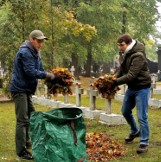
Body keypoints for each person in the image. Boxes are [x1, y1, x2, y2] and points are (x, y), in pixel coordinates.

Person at [10, 30, 58, 160]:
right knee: (22, 120)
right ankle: (21, 151)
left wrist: (51, 77)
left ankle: (28, 142)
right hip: (19, 89)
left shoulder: (36, 52)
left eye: (42, 41)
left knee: (32, 116)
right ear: (31, 39)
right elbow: (30, 71)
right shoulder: (25, 52)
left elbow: (40, 70)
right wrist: (47, 75)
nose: (41, 43)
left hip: (26, 89)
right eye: (39, 41)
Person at [112, 34, 151, 154]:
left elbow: (131, 75)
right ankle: (135, 131)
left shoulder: (138, 55)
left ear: (129, 43)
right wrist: (111, 78)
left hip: (142, 88)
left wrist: (114, 82)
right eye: (118, 45)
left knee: (142, 116)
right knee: (125, 111)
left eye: (122, 45)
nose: (120, 47)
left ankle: (144, 142)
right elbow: (122, 70)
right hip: (132, 87)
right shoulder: (125, 54)